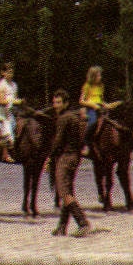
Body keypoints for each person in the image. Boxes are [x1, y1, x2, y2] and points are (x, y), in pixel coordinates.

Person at [48, 89, 90, 237]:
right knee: (67, 190)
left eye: (59, 102)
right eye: (54, 102)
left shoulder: (63, 118)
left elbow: (58, 141)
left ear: (66, 103)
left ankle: (82, 222)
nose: (56, 105)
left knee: (63, 192)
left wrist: (49, 157)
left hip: (65, 158)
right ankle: (62, 226)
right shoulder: (75, 118)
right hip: (75, 157)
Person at [0, 61, 19, 162]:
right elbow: (0, 101)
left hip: (13, 109)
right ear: (3, 73)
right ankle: (5, 153)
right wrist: (12, 101)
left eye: (12, 72)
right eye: (8, 72)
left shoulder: (14, 85)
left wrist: (18, 102)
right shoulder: (1, 85)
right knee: (7, 127)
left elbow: (15, 97)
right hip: (3, 111)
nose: (10, 75)